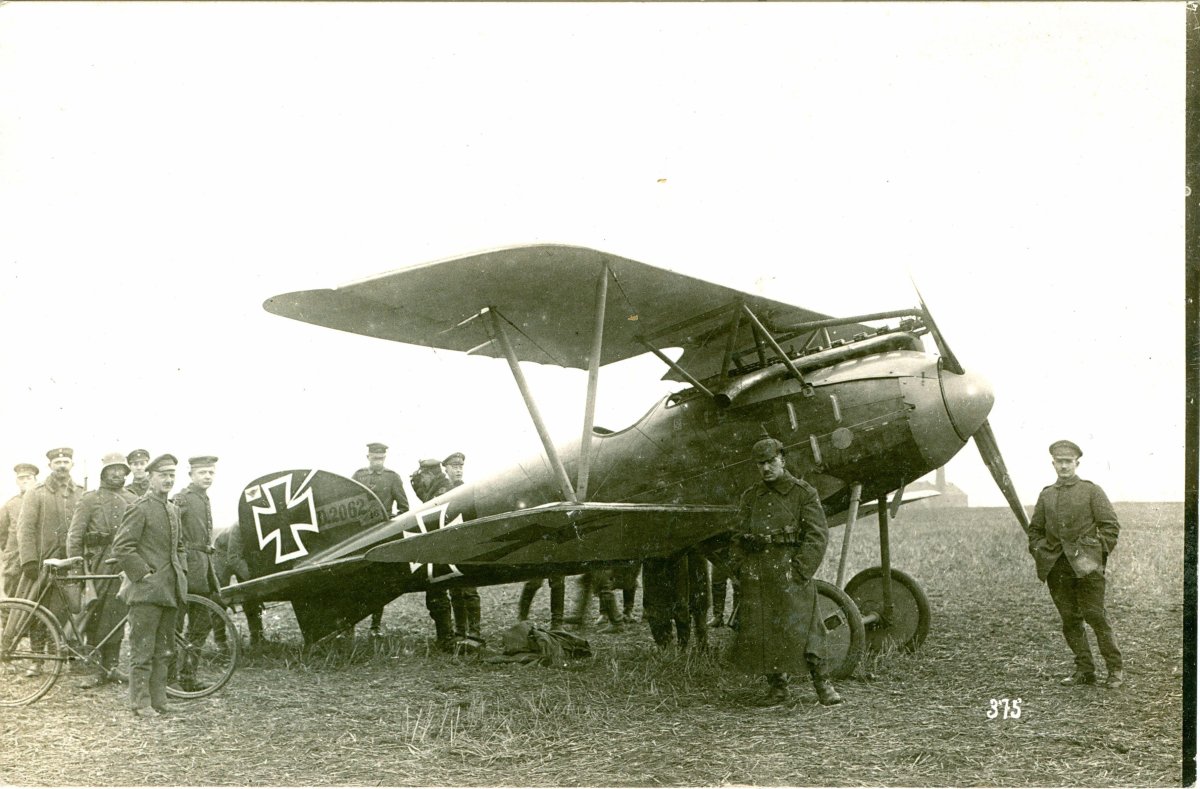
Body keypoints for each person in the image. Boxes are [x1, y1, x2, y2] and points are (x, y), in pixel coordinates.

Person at [729, 437, 841, 706]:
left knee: (806, 629)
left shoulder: (803, 493)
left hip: (790, 571)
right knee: (765, 631)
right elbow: (736, 536)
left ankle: (822, 685)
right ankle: (778, 687)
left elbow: (817, 536)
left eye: (770, 461)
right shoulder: (751, 496)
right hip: (759, 574)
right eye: (760, 464)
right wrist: (741, 568)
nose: (766, 468)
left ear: (783, 459)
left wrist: (800, 571)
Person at [1026, 439, 1123, 689]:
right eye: (1060, 462)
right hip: (1057, 568)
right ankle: (1085, 671)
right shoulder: (1047, 494)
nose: (1064, 466)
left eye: (1068, 462)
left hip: (1087, 567)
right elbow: (1035, 530)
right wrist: (1040, 552)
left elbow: (1110, 526)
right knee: (1070, 619)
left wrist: (1096, 555)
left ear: (1076, 463)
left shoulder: (1091, 491)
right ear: (1053, 464)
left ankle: (1114, 670)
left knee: (1095, 616)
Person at [111, 454, 187, 717]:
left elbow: (179, 547)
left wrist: (181, 573)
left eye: (171, 476)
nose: (168, 480)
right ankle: (141, 703)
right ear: (151, 478)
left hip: (169, 590)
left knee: (164, 650)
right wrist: (142, 574)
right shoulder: (140, 508)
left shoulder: (173, 510)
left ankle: (160, 700)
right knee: (142, 650)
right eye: (162, 475)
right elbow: (122, 547)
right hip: (145, 592)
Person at [65, 451, 137, 688]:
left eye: (121, 470)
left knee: (117, 614)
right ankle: (95, 668)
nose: (117, 474)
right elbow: (74, 536)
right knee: (95, 614)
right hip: (96, 564)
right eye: (112, 469)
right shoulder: (90, 499)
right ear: (103, 472)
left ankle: (112, 666)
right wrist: (76, 568)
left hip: (124, 563)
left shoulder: (133, 498)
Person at [16, 448, 83, 643]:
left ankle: (61, 653)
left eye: (66, 461)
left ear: (72, 464)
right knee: (37, 609)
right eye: (58, 462)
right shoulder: (36, 493)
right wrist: (29, 560)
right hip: (41, 564)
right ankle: (37, 659)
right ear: (50, 466)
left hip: (70, 563)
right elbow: (25, 528)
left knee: (66, 609)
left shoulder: (80, 492)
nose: (62, 465)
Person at [173, 455, 224, 691]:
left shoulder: (203, 498)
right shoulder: (183, 498)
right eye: (202, 472)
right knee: (177, 626)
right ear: (191, 474)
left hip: (202, 568)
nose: (207, 476)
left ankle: (188, 676)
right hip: (187, 567)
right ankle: (172, 678)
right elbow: (173, 534)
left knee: (200, 625)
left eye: (211, 472)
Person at [352, 442, 410, 636]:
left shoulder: (392, 478)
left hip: (380, 536)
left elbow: (404, 508)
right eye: (375, 458)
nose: (378, 462)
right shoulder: (358, 476)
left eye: (381, 458)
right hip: (358, 537)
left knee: (378, 583)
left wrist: (390, 521)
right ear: (368, 457)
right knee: (352, 582)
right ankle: (348, 626)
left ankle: (375, 626)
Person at [443, 452, 482, 646]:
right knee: (455, 592)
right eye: (454, 467)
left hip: (467, 547)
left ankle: (474, 632)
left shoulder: (469, 490)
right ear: (446, 469)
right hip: (450, 548)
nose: (458, 470)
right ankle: (460, 631)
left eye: (460, 467)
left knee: (470, 591)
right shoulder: (441, 493)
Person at [213, 524, 264, 649]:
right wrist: (251, 578)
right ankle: (221, 642)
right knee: (219, 596)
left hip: (241, 555)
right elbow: (233, 558)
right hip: (222, 554)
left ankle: (257, 637)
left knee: (251, 594)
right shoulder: (239, 526)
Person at [642, 550, 708, 648]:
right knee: (656, 599)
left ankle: (686, 642)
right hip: (656, 554)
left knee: (684, 600)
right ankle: (664, 643)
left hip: (683, 552)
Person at [0, 463, 38, 599]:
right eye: (21, 478)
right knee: (13, 599)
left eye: (28, 477)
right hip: (14, 560)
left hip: (35, 558)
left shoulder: (41, 500)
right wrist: (11, 552)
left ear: (35, 480)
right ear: (17, 481)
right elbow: (2, 534)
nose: (25, 481)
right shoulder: (10, 505)